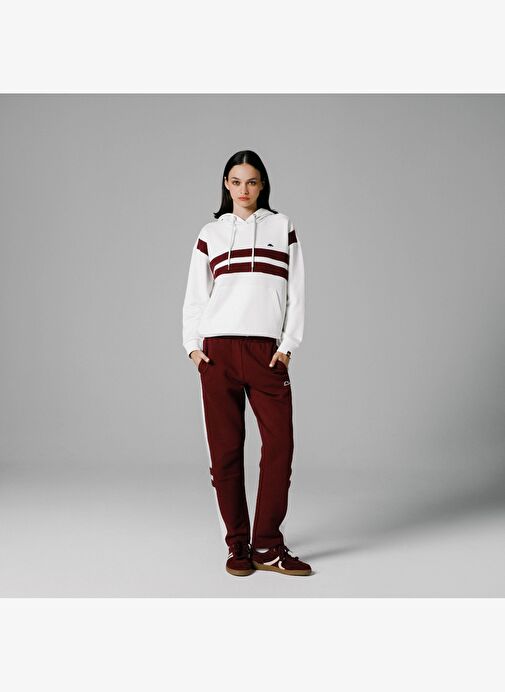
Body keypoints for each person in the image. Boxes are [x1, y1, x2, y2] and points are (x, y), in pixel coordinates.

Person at [182, 149, 312, 577]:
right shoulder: (210, 233)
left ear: (262, 185)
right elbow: (196, 296)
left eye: (252, 182)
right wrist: (193, 348)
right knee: (225, 453)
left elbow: (297, 291)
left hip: (266, 353)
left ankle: (268, 545)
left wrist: (288, 344)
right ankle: (238, 543)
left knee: (279, 449)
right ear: (226, 184)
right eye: (236, 182)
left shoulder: (282, 226)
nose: (244, 190)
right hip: (217, 352)